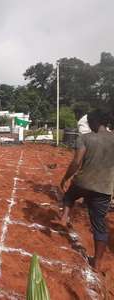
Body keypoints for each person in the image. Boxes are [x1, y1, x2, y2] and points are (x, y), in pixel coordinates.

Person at [59, 109, 114, 271]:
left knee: (69, 196)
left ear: (94, 122)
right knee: (99, 225)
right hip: (103, 188)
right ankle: (96, 263)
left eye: (89, 121)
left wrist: (65, 178)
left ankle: (64, 218)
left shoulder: (85, 138)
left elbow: (76, 162)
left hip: (83, 183)